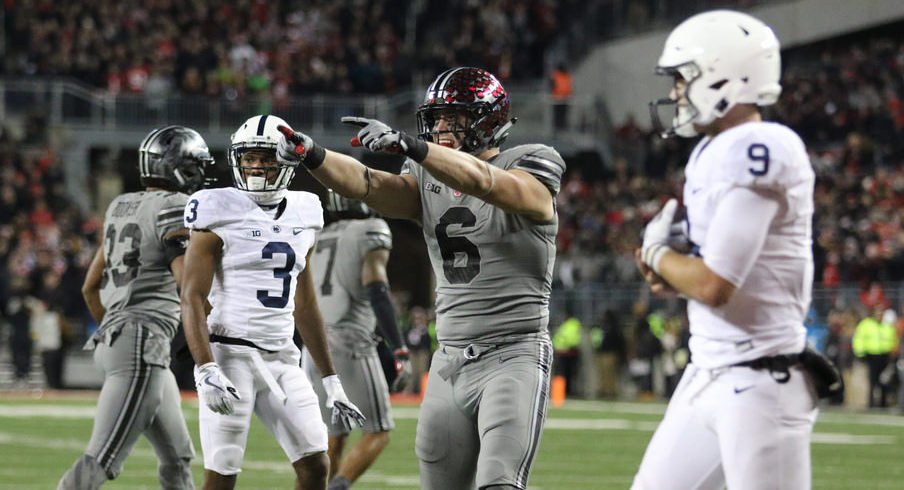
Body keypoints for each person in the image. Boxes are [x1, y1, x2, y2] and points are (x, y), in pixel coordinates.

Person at [277, 66, 565, 489]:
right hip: (448, 359)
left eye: (455, 118)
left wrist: (414, 147)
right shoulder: (427, 176)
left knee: (499, 482)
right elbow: (368, 184)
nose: (441, 127)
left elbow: (486, 182)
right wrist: (313, 154)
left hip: (514, 354)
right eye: (437, 118)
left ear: (487, 121)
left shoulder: (532, 162)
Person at [633, 10, 834, 489]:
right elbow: (701, 274)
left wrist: (658, 253)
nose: (678, 92)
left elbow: (714, 284)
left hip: (762, 382)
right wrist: (670, 267)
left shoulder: (761, 145)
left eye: (685, 79)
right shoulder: (711, 150)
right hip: (708, 370)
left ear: (725, 77)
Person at [179, 114, 365, 490]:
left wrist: (330, 377)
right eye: (249, 158)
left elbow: (305, 299)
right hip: (230, 358)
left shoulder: (306, 209)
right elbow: (192, 296)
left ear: (287, 162)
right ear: (237, 160)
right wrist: (205, 368)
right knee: (222, 476)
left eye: (266, 158)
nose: (257, 166)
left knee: (316, 466)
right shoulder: (216, 207)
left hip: (283, 358)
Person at [58, 125, 215, 489]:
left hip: (122, 338)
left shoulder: (120, 205)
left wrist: (117, 328)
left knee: (177, 457)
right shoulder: (174, 206)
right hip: (141, 342)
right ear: (176, 166)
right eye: (193, 166)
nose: (198, 174)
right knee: (100, 459)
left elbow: (89, 287)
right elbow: (185, 283)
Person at [301, 190, 411, 490]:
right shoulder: (371, 231)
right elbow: (376, 289)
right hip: (349, 338)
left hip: (312, 345)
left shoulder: (317, 235)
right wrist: (399, 347)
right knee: (379, 431)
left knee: (333, 439)